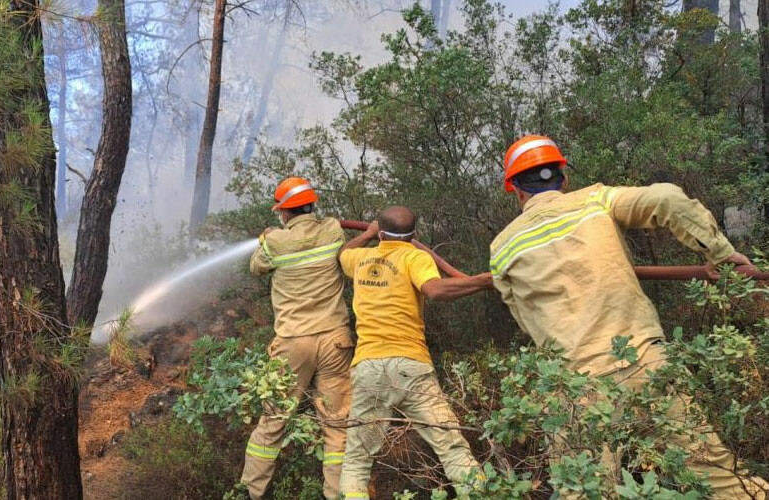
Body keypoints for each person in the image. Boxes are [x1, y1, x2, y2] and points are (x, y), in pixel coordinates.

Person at [490, 134, 769, 499]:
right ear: (563, 175)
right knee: (716, 475)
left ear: (514, 188)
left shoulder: (502, 247)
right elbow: (667, 198)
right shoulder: (595, 200)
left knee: (583, 490)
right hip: (644, 363)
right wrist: (720, 253)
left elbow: (526, 321)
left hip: (573, 387)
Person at [337, 206, 491, 499]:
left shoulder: (360, 259)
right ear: (414, 235)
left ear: (381, 232)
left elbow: (343, 252)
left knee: (357, 461)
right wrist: (482, 281)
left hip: (368, 367)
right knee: (450, 446)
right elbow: (434, 290)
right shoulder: (415, 256)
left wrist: (368, 234)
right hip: (411, 367)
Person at [240, 177, 354, 500]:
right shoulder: (333, 230)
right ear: (312, 205)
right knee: (337, 424)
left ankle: (252, 492)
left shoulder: (275, 243)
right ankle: (339, 495)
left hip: (292, 343)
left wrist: (266, 239)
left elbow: (255, 267)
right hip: (335, 341)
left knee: (274, 418)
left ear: (284, 213)